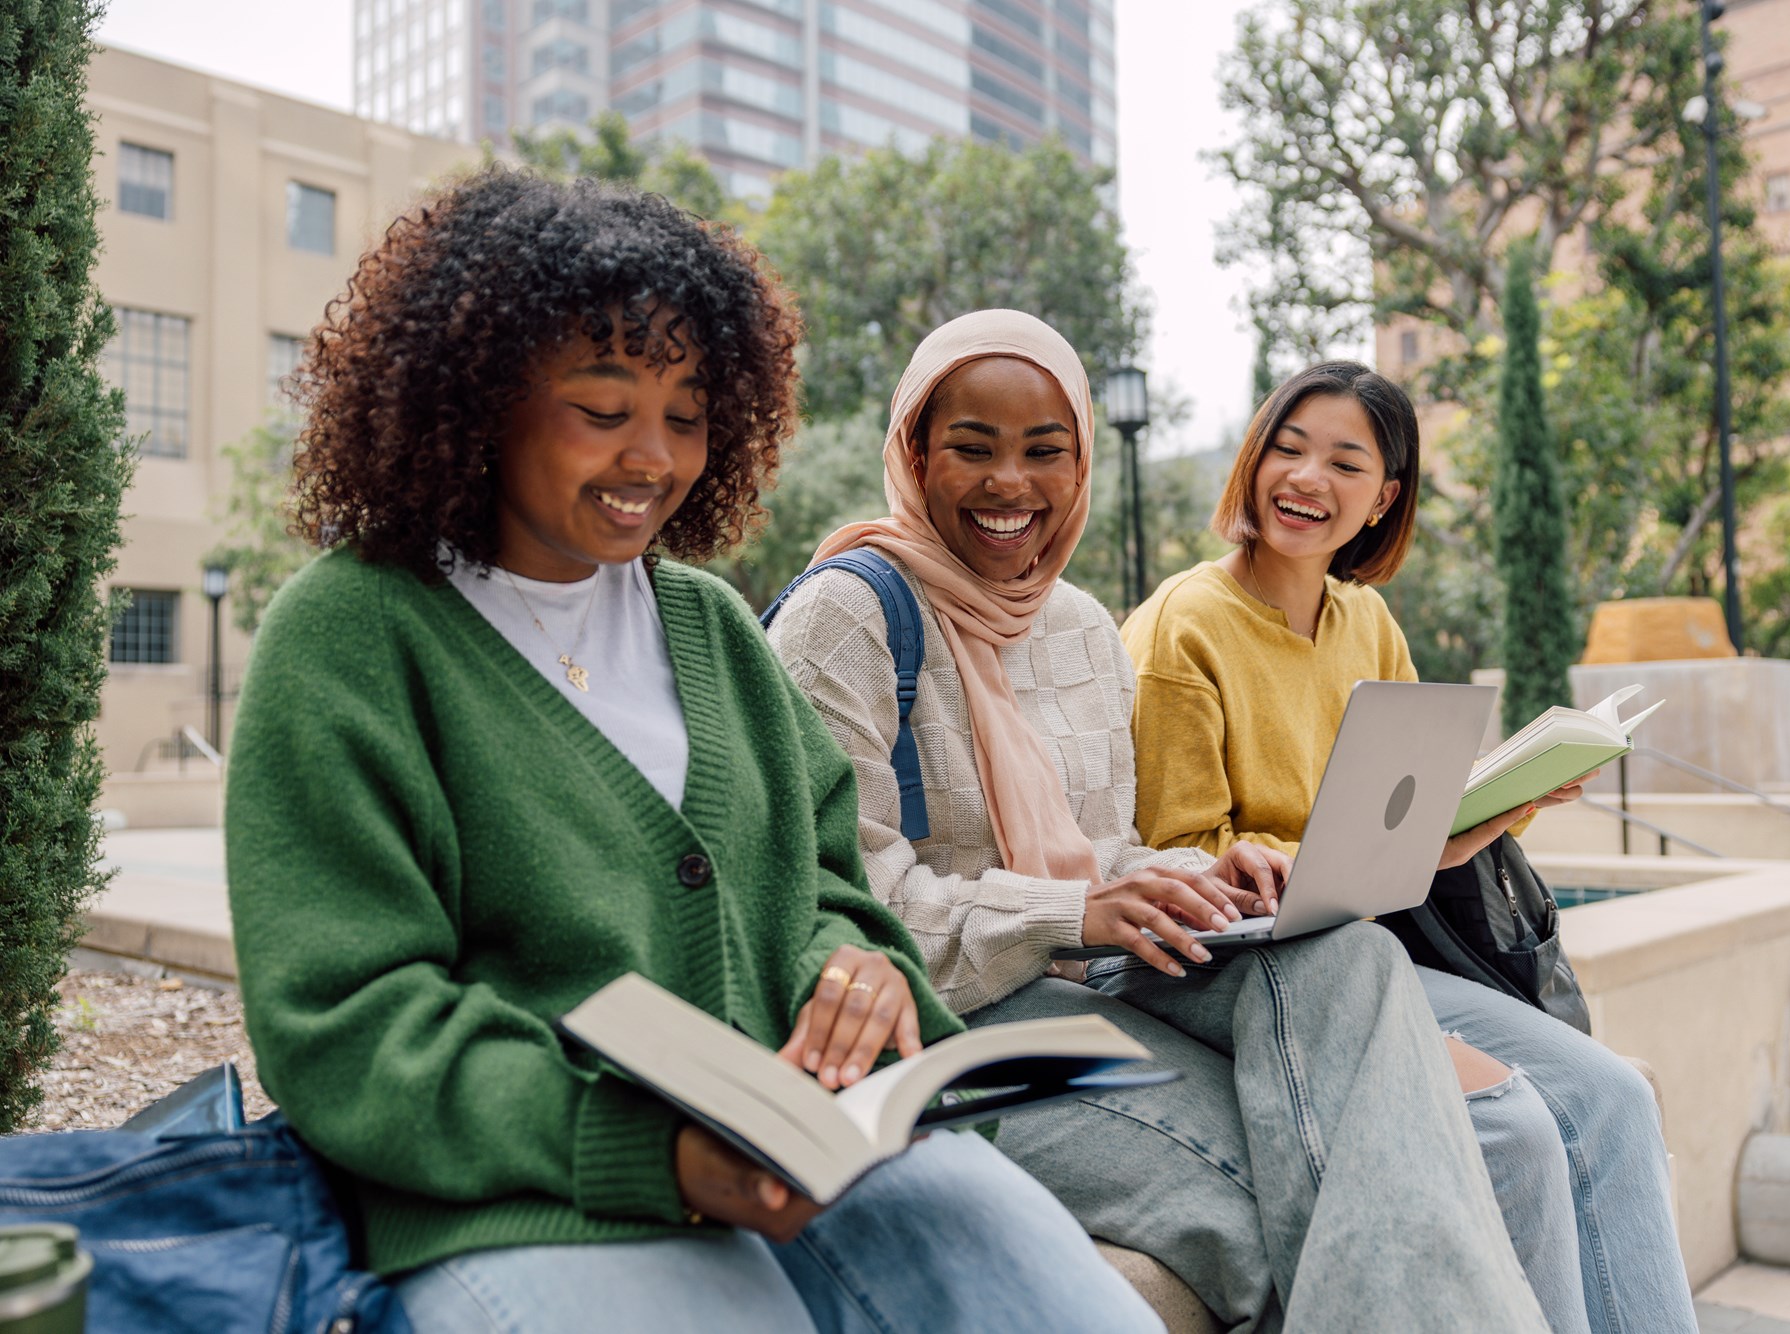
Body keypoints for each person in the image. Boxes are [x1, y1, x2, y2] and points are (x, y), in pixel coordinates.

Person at [223, 172, 1163, 1334]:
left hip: (810, 1149)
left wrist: (857, 970)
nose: (652, 458)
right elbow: (347, 1018)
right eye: (603, 408)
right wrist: (653, 1148)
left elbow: (825, 885)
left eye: (686, 412)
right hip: (525, 1195)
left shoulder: (709, 623)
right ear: (480, 399)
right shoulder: (351, 636)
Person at [767, 309, 1556, 1333]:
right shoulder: (841, 620)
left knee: (1347, 960)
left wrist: (1197, 874)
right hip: (945, 1022)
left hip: (1089, 972)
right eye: (971, 447)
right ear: (913, 450)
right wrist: (1079, 906)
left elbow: (1101, 847)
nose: (1010, 483)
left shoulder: (1083, 627)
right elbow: (837, 914)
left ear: (1080, 460)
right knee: (1270, 1199)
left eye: (1044, 451)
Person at [1121, 360, 1700, 1334]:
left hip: (1358, 941)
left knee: (1610, 1096)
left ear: (1381, 498)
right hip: (1252, 964)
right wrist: (1270, 857)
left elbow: (1388, 840)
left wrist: (1498, 806)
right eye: (1288, 447)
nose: (1305, 478)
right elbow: (1175, 855)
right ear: (1252, 457)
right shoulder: (1183, 626)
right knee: (1514, 1127)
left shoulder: (1367, 622)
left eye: (1344, 462)